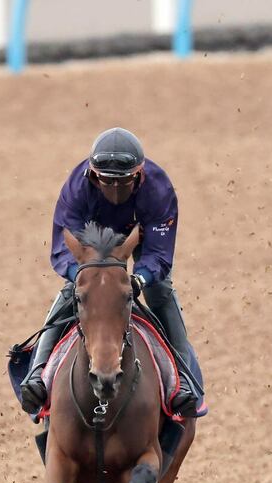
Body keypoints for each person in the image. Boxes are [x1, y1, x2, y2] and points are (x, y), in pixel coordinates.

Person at [20, 127, 198, 417]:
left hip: (139, 240)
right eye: (107, 182)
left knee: (160, 290)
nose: (115, 190)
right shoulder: (76, 189)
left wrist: (140, 277)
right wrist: (83, 275)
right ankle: (38, 374)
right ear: (92, 175)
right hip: (93, 243)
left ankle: (182, 381)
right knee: (73, 292)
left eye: (124, 182)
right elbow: (61, 248)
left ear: (139, 175)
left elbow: (158, 253)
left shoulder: (159, 189)